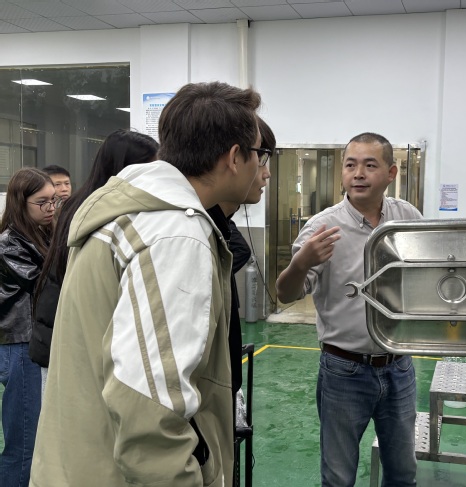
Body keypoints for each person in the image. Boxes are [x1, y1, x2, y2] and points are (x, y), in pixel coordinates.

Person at [30, 81, 262, 487]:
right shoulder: (174, 235)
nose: (261, 166)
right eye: (259, 153)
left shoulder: (126, 212)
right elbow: (149, 409)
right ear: (234, 157)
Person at [276, 132, 423, 486]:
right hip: (344, 371)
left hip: (399, 366)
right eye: (350, 165)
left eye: (370, 165)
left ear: (391, 173)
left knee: (403, 473)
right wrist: (301, 262)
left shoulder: (407, 217)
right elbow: (285, 294)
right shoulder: (323, 227)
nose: (358, 174)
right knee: (339, 478)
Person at [29, 130, 160, 381]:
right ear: (126, 168)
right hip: (70, 333)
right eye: (150, 168)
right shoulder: (101, 209)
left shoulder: (83, 202)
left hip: (64, 327)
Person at [207, 116, 275, 405]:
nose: (266, 174)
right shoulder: (191, 236)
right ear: (235, 158)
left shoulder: (221, 224)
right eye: (262, 158)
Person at [0, 167, 57, 487]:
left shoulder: (43, 234)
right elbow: (43, 286)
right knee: (24, 443)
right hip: (21, 345)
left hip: (36, 343)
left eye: (54, 201)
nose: (51, 208)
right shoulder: (9, 243)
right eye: (42, 202)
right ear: (20, 203)